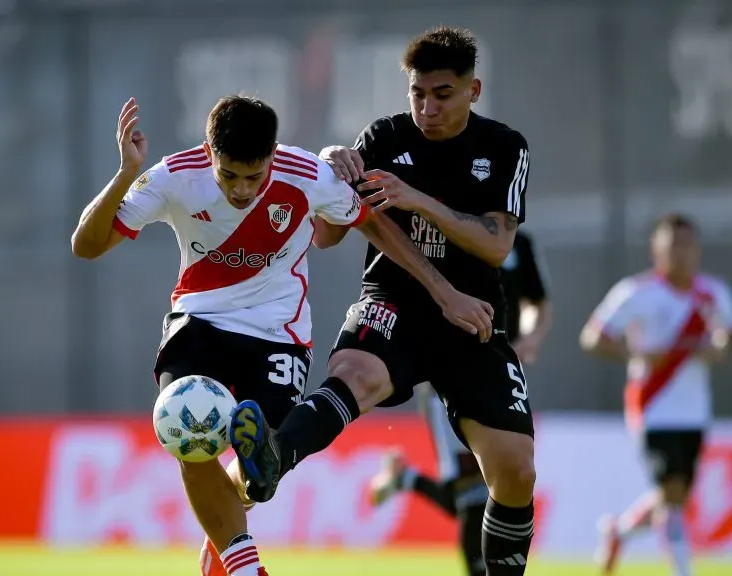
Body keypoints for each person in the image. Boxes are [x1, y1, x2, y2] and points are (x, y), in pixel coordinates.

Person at [70, 95, 493, 576]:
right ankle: (244, 565)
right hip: (199, 324)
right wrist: (126, 173)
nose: (243, 190)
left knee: (263, 471)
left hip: (279, 335)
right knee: (187, 431)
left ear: (273, 154)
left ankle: (222, 544)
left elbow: (373, 224)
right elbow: (86, 245)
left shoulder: (306, 174)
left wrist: (444, 291)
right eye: (229, 175)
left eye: (255, 176)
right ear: (209, 152)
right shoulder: (173, 176)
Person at [227, 27, 538, 575]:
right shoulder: (384, 137)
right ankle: (275, 457)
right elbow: (327, 235)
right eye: (417, 93)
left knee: (515, 472)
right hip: (394, 299)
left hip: (470, 313)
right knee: (355, 372)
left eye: (442, 94)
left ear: (474, 90)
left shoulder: (503, 147)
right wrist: (330, 171)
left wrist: (416, 199)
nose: (427, 107)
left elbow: (497, 242)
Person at [365, 229, 553, 576]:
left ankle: (406, 480)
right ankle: (408, 481)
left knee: (495, 483)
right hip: (446, 369)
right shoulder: (433, 227)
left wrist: (530, 340)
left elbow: (537, 303)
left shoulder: (518, 242)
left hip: (499, 374)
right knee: (469, 487)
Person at [579, 213, 732, 576]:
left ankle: (618, 532)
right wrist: (634, 354)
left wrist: (719, 347)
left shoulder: (712, 292)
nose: (682, 254)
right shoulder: (636, 292)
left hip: (695, 411)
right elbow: (592, 337)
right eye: (673, 246)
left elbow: (730, 332)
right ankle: (682, 570)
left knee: (675, 496)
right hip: (652, 406)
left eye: (688, 245)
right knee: (671, 495)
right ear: (656, 250)